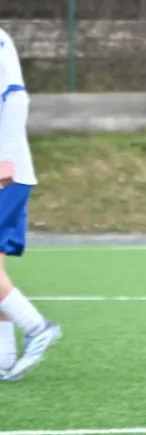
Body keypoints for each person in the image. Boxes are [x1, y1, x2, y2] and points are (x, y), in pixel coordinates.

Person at [0, 26, 62, 382]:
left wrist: (5, 159)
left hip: (5, 174)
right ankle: (4, 358)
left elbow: (16, 97)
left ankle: (38, 328)